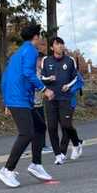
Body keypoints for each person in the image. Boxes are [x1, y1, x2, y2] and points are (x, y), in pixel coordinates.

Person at [0, 22, 53, 186]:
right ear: (36, 36)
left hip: (17, 98)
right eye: (40, 35)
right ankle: (7, 170)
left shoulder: (17, 53)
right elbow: (28, 73)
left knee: (40, 127)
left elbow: (5, 78)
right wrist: (44, 89)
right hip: (19, 98)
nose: (41, 38)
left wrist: (6, 101)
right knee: (26, 133)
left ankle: (36, 164)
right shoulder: (31, 50)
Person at [40, 35, 85, 164]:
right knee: (52, 127)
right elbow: (42, 78)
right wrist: (49, 79)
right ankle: (58, 155)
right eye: (57, 44)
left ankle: (76, 143)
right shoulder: (46, 60)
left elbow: (76, 78)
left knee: (66, 125)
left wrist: (68, 86)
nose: (60, 46)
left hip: (65, 98)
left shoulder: (70, 60)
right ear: (51, 47)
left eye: (62, 43)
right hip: (50, 98)